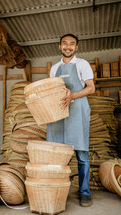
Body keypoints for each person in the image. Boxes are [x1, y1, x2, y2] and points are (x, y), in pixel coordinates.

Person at [46, 33, 95, 207]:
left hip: (77, 110)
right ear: (59, 47)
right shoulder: (54, 68)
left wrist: (73, 94)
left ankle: (84, 193)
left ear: (76, 47)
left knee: (81, 154)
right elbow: (52, 89)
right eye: (64, 43)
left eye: (72, 44)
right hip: (59, 114)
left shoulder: (82, 64)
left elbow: (91, 88)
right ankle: (58, 191)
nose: (68, 46)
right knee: (57, 155)